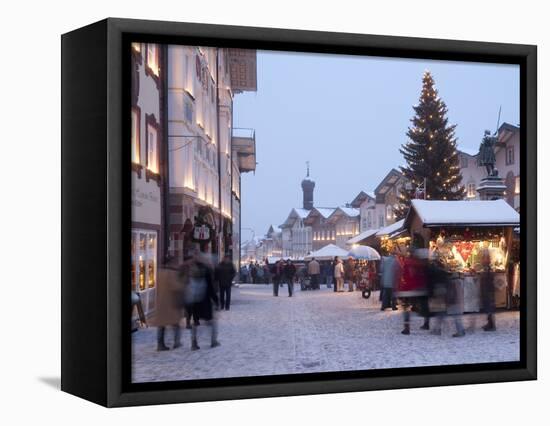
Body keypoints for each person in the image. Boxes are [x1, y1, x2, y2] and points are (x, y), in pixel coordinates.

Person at [186, 251, 220, 350]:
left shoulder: (191, 269)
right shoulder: (206, 270)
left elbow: (186, 283)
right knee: (211, 322)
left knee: (195, 322)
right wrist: (216, 300)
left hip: (194, 300)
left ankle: (194, 342)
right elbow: (210, 287)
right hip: (204, 300)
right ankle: (213, 341)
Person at [151, 256, 185, 351]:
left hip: (161, 302)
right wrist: (183, 284)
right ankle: (176, 342)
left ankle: (160, 344)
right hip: (170, 303)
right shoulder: (171, 273)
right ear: (170, 263)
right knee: (175, 324)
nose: (176, 264)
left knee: (161, 325)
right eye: (174, 262)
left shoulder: (159, 272)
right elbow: (176, 286)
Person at [480, 246, 496, 331]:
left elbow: (488, 280)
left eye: (483, 258)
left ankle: (491, 325)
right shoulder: (486, 269)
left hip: (488, 291)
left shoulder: (488, 269)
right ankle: (489, 324)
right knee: (488, 308)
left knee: (489, 308)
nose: (482, 260)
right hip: (487, 290)